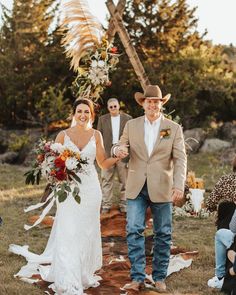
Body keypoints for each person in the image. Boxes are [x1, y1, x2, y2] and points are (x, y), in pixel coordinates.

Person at [9, 98, 120, 295]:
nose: (83, 115)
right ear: (74, 113)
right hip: (68, 191)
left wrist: (118, 156)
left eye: (87, 112)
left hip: (90, 190)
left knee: (86, 232)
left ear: (92, 115)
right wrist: (53, 173)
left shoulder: (96, 135)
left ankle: (82, 272)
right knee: (68, 230)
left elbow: (102, 164)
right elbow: (50, 161)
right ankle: (68, 277)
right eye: (79, 111)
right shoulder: (63, 135)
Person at [113, 85, 187, 293]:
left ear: (161, 103)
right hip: (136, 186)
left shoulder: (173, 128)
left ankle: (159, 277)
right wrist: (118, 150)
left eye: (157, 101)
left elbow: (181, 159)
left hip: (162, 187)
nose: (153, 104)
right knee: (133, 229)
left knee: (163, 233)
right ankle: (137, 277)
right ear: (143, 103)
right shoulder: (131, 125)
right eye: (149, 101)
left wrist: (179, 185)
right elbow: (120, 146)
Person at [97, 98, 132, 213]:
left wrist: (128, 151)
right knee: (106, 179)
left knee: (124, 180)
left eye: (115, 106)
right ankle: (106, 204)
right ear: (108, 108)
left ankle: (124, 203)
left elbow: (132, 137)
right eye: (111, 107)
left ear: (118, 106)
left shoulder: (127, 119)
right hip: (108, 154)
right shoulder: (102, 119)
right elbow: (99, 137)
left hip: (123, 153)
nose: (113, 108)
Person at [206, 155, 236, 289]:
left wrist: (215, 210)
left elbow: (210, 202)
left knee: (224, 211)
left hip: (229, 224)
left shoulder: (225, 180)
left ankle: (219, 275)